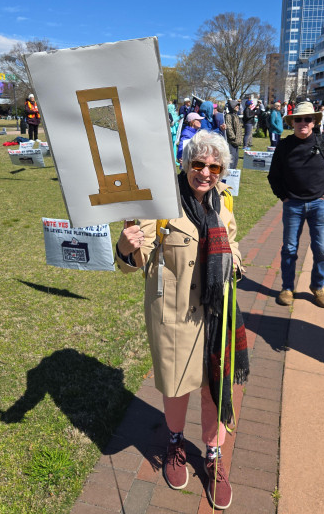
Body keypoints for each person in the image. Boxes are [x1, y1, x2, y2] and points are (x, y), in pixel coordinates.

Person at [115, 131, 249, 510]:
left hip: (216, 309)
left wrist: (234, 261)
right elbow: (130, 264)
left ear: (222, 170)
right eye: (198, 164)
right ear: (185, 164)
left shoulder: (223, 200)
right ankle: (174, 443)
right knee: (176, 386)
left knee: (214, 384)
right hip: (174, 314)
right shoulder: (159, 202)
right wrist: (126, 246)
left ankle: (213, 455)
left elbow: (232, 240)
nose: (205, 172)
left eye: (214, 166)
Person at [268, 101, 324, 308]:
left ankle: (318, 286)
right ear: (292, 122)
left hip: (319, 205)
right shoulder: (284, 145)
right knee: (290, 249)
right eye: (298, 119)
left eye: (307, 119)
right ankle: (287, 288)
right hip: (293, 205)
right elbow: (274, 175)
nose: (302, 122)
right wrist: (283, 197)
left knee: (322, 249)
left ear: (314, 122)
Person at [225, 100, 243, 168]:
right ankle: (229, 176)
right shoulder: (229, 116)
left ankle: (233, 175)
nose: (237, 107)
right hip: (232, 142)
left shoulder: (236, 116)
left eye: (238, 105)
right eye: (236, 105)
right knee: (231, 161)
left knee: (235, 160)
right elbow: (229, 127)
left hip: (236, 142)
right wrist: (233, 137)